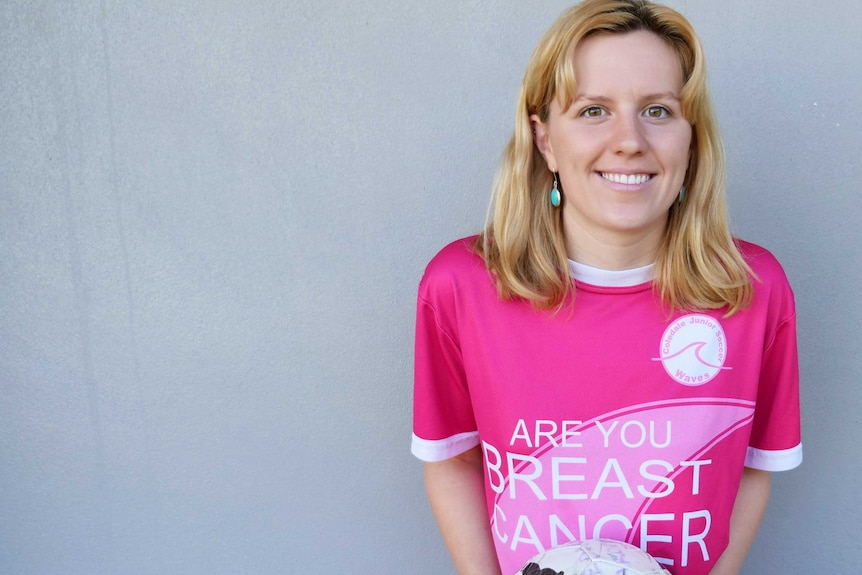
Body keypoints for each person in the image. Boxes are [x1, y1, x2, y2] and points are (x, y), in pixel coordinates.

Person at [410, 1, 803, 574]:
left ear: (692, 140)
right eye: (594, 110)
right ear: (544, 139)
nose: (629, 141)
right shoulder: (462, 286)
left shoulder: (752, 290)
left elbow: (751, 468)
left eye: (659, 111)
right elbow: (452, 462)